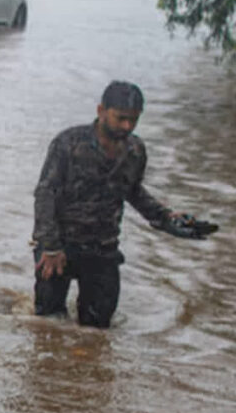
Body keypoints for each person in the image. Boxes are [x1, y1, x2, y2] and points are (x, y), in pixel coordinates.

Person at [32, 81, 218, 328]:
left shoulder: (135, 150)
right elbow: (46, 194)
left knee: (98, 330)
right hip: (60, 247)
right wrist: (50, 247)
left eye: (133, 120)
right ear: (101, 111)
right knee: (48, 325)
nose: (127, 126)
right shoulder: (68, 144)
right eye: (120, 118)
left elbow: (132, 191)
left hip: (103, 249)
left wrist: (166, 218)